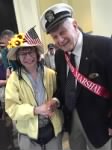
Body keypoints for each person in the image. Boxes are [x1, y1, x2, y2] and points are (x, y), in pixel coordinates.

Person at [40, 3, 112, 150]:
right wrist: (55, 100)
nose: (60, 40)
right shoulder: (60, 55)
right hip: (72, 122)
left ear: (74, 24)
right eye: (54, 37)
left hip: (100, 126)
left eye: (62, 32)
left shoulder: (104, 47)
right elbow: (63, 85)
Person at [5, 31, 63, 150]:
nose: (28, 57)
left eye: (30, 52)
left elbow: (60, 95)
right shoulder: (14, 79)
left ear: (36, 53)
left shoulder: (51, 74)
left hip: (53, 132)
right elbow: (11, 108)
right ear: (18, 57)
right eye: (23, 54)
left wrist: (55, 102)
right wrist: (35, 110)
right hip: (28, 137)